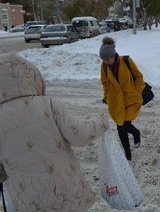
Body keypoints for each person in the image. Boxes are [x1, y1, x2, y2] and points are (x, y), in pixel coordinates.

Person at [0, 53, 108, 212]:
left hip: (29, 199)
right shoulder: (48, 104)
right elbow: (79, 135)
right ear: (31, 75)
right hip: (65, 192)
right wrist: (100, 122)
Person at [100, 36, 145, 161]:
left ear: (113, 55)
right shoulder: (104, 67)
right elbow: (104, 83)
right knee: (121, 127)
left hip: (131, 100)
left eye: (107, 59)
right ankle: (127, 153)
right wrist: (107, 96)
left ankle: (136, 134)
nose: (106, 62)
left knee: (124, 125)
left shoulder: (126, 61)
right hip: (116, 102)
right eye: (103, 59)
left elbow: (139, 77)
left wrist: (137, 91)